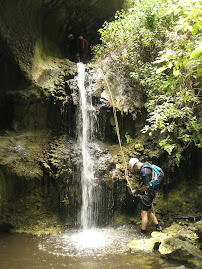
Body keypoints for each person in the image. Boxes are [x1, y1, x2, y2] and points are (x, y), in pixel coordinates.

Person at [129, 158, 163, 235]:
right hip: (151, 193)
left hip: (148, 194)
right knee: (149, 211)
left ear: (136, 165)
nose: (134, 170)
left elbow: (146, 186)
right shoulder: (147, 166)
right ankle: (158, 227)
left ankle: (142, 232)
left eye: (134, 168)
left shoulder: (145, 171)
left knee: (143, 213)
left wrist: (138, 191)